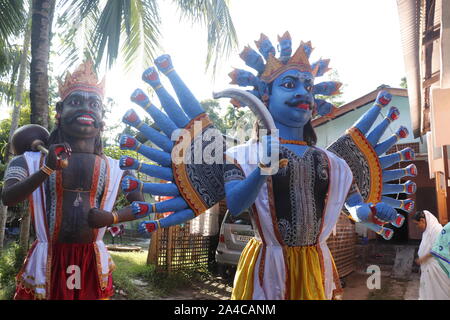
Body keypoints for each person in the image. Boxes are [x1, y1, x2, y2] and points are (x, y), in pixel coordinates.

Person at [91, 32, 416, 300]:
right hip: (268, 266)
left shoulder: (334, 162)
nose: (303, 92)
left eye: (308, 86)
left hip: (317, 266)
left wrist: (371, 212)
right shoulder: (242, 155)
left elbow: (353, 207)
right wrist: (262, 169)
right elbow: (235, 202)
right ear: (264, 96)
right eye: (290, 85)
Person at [1, 60, 142, 300]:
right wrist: (46, 170)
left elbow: (141, 206)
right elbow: (8, 197)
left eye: (94, 104)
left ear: (101, 117)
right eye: (76, 102)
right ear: (59, 110)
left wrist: (112, 217)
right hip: (47, 259)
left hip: (91, 260)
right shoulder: (30, 161)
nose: (86, 109)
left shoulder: (119, 167)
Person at [413, 210, 450, 300]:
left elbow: (437, 250)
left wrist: (422, 259)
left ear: (422, 220)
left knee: (439, 293)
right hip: (428, 268)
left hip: (437, 268)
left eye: (417, 224)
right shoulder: (426, 232)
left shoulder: (437, 230)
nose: (416, 227)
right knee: (429, 292)